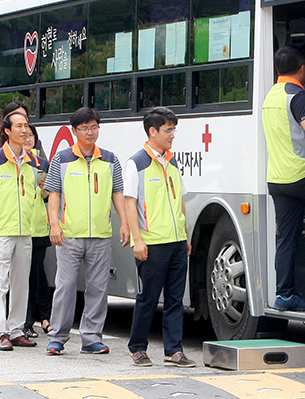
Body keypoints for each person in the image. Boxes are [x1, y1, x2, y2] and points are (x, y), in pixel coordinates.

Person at [45, 108, 129, 356]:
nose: (90, 132)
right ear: (74, 131)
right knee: (65, 286)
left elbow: (118, 194)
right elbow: (53, 195)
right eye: (84, 128)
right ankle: (58, 337)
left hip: (101, 235)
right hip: (69, 234)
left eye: (94, 127)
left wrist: (124, 223)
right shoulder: (62, 160)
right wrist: (55, 224)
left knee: (98, 288)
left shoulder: (110, 160)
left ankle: (91, 338)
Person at [124, 107, 195, 368]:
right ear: (152, 131)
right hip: (152, 243)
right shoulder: (137, 163)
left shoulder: (172, 162)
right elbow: (130, 203)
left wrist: (185, 236)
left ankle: (174, 350)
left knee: (176, 299)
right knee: (149, 298)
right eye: (168, 130)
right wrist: (138, 240)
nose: (172, 135)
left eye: (173, 130)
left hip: (176, 242)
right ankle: (138, 348)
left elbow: (180, 202)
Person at [0, 112, 39, 351]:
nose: (25, 131)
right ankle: (1, 332)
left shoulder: (33, 160)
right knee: (0, 283)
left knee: (21, 282)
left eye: (26, 126)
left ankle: (16, 330)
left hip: (24, 230)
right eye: (20, 126)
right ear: (7, 131)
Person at [262, 45, 305, 312]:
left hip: (278, 179)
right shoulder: (298, 95)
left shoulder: (270, 95)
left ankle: (284, 295)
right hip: (303, 174)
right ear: (303, 68)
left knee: (286, 239)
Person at [23, 125, 53, 339]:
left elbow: (46, 196)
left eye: (31, 136)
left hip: (39, 227)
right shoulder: (13, 163)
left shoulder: (43, 164)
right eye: (24, 135)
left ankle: (44, 318)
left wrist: (44, 189)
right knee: (27, 277)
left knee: (39, 275)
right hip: (21, 226)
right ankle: (26, 322)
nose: (27, 139)